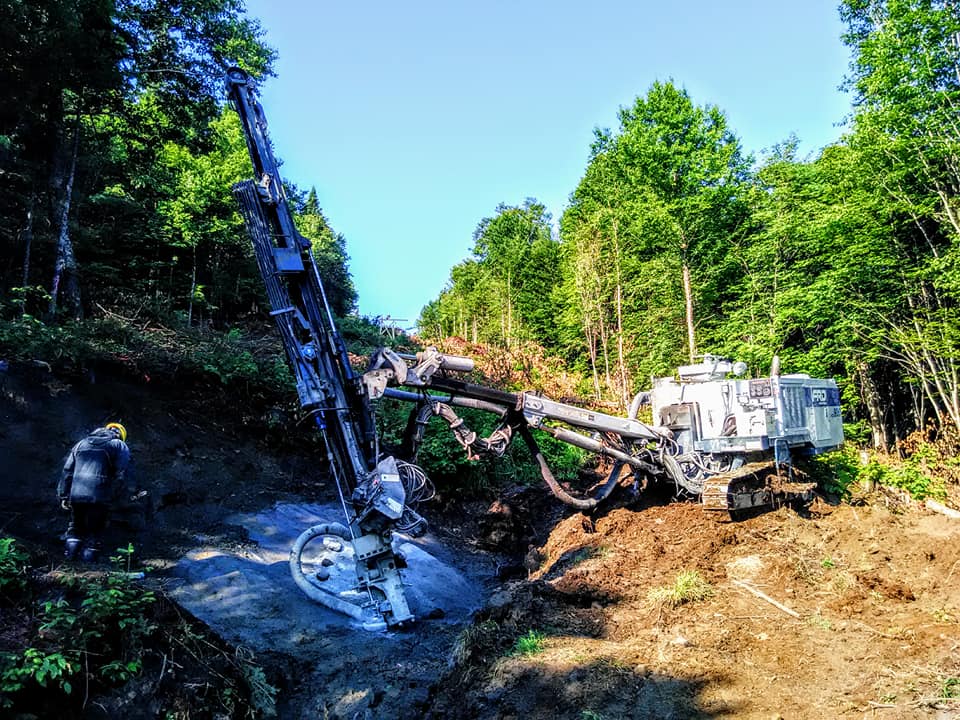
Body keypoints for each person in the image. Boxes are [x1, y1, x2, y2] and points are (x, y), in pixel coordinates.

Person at [57, 422, 131, 562]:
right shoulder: (118, 445)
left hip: (76, 494)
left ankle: (69, 563)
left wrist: (64, 495)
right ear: (121, 435)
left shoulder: (81, 444)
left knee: (75, 527)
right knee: (94, 532)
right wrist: (117, 495)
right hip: (100, 495)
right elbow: (122, 472)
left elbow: (67, 471)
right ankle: (89, 568)